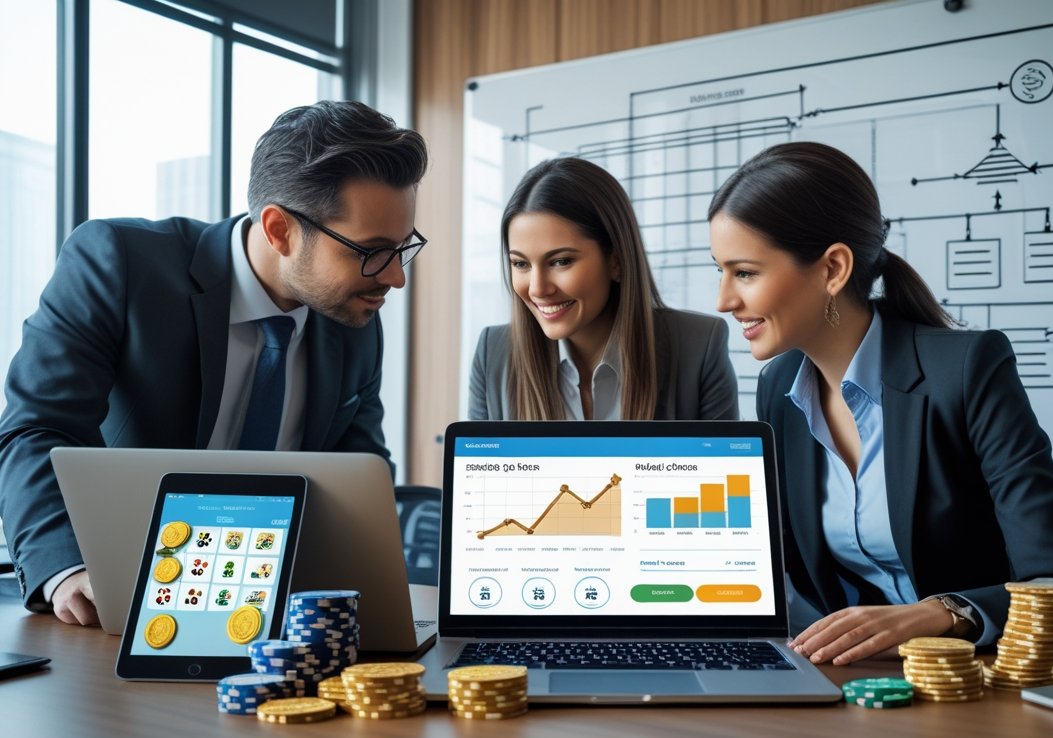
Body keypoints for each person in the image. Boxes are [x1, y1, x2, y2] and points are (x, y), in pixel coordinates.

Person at [0, 100, 428, 626]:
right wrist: (67, 569)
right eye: (371, 252)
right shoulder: (120, 263)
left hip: (272, 614)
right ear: (279, 230)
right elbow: (36, 427)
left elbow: (360, 482)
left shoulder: (353, 321)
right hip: (118, 604)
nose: (395, 278)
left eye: (403, 248)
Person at [708, 142, 1053, 664]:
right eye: (721, 271)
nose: (724, 300)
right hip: (864, 683)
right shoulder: (780, 388)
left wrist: (941, 614)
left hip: (982, 680)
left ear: (833, 268)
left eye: (745, 272)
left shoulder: (967, 371)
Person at [468, 156, 738, 421]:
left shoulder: (698, 347)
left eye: (561, 261)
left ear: (616, 260)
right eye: (520, 264)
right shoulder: (493, 354)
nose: (537, 289)